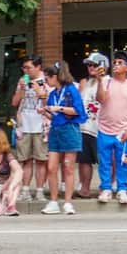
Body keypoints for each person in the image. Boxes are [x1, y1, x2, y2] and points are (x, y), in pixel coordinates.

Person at [95, 51, 127, 205]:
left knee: (123, 161)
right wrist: (100, 81)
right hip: (104, 129)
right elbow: (100, 99)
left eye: (120, 63)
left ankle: (122, 189)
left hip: (123, 131)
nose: (116, 65)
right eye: (114, 62)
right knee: (105, 161)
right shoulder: (107, 82)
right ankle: (106, 188)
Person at [39, 61, 83, 215]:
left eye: (48, 78)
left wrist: (60, 108)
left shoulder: (71, 90)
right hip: (56, 130)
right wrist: (45, 112)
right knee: (51, 167)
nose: (46, 81)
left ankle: (68, 202)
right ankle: (53, 201)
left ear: (55, 77)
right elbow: (54, 117)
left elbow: (78, 110)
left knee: (68, 167)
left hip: (70, 130)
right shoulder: (52, 94)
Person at [11, 57, 48, 202]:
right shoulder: (22, 81)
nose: (25, 71)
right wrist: (21, 88)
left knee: (41, 160)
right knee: (25, 159)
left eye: (28, 67)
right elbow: (14, 102)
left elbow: (48, 102)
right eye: (24, 68)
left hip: (41, 125)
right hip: (24, 124)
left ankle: (39, 190)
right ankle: (25, 190)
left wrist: (39, 90)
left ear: (38, 67)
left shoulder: (46, 80)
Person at [77, 53, 106, 198]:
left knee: (105, 160)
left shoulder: (108, 81)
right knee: (84, 160)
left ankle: (106, 186)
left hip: (102, 126)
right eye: (89, 65)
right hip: (84, 126)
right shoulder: (86, 83)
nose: (90, 68)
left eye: (94, 65)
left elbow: (104, 99)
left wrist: (100, 81)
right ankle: (85, 188)